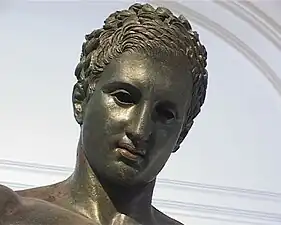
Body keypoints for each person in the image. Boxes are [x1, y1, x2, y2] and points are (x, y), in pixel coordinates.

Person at [0, 3, 208, 225]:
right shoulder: (9, 214)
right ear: (80, 100)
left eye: (165, 114)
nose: (140, 130)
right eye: (124, 98)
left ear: (182, 135)